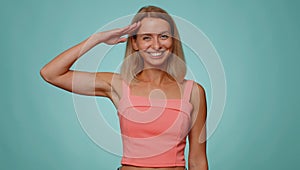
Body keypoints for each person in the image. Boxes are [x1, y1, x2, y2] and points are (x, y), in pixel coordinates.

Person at [40, 5, 208, 170]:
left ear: (173, 40)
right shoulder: (118, 85)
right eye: (146, 37)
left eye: (163, 36)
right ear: (134, 42)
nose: (156, 45)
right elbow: (51, 73)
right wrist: (97, 38)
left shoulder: (193, 92)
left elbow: (198, 161)